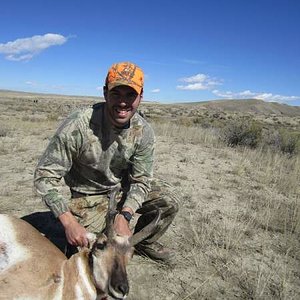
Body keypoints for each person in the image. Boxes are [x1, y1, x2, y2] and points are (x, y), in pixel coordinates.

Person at [34, 62, 178, 262]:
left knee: (168, 201)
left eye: (130, 95)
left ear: (141, 97)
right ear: (105, 93)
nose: (123, 102)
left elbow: (141, 180)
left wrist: (125, 216)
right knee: (86, 253)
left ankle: (144, 244)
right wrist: (68, 223)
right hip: (88, 196)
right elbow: (44, 177)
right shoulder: (78, 125)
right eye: (116, 94)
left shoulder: (143, 131)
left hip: (120, 189)